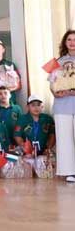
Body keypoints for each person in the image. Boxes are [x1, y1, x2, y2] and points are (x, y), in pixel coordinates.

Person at [51, 30, 75, 181]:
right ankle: (70, 172)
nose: (72, 42)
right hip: (62, 106)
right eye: (69, 40)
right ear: (65, 43)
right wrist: (55, 92)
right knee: (65, 139)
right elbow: (52, 83)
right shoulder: (57, 62)